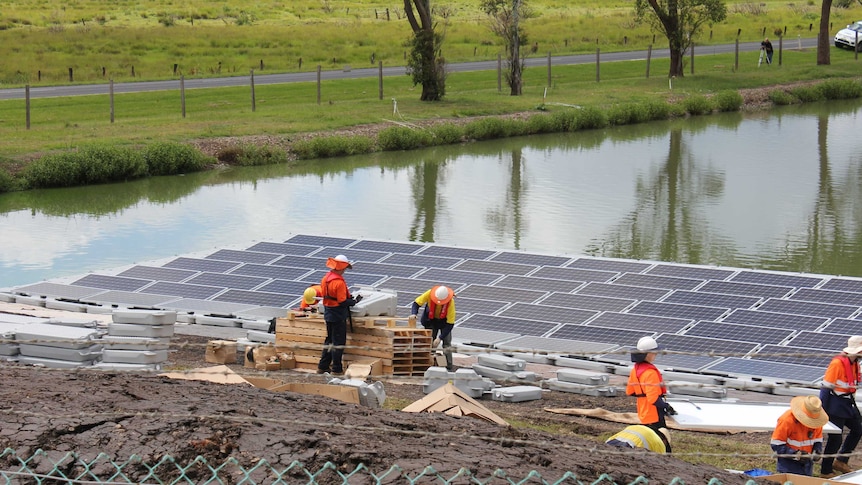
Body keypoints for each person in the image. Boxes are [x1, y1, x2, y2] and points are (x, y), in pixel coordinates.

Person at [819, 335, 862, 477]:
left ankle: (841, 460)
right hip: (835, 405)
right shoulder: (837, 363)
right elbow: (826, 388)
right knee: (835, 438)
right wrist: (822, 409)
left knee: (858, 429)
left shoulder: (855, 363)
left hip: (848, 403)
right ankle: (825, 470)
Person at [316, 255, 360, 375]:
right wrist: (353, 302)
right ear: (342, 267)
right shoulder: (339, 282)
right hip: (338, 314)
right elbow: (342, 301)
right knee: (338, 342)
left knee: (329, 340)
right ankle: (337, 369)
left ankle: (323, 366)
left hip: (328, 312)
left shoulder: (325, 279)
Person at [626, 336, 676, 432]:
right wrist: (666, 406)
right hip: (654, 414)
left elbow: (630, 391)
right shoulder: (650, 373)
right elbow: (653, 398)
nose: (656, 354)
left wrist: (643, 394)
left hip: (643, 411)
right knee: (660, 439)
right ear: (647, 354)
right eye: (654, 352)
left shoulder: (635, 370)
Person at [771, 395, 828, 476]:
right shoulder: (786, 420)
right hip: (788, 466)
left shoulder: (817, 422)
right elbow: (776, 445)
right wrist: (796, 454)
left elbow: (817, 440)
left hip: (807, 466)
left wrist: (817, 451)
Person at [409, 285, 456, 371]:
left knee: (447, 344)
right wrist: (414, 313)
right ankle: (427, 364)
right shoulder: (430, 293)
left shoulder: (450, 303)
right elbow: (416, 303)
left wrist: (440, 338)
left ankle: (449, 367)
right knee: (429, 341)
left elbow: (450, 324)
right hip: (430, 320)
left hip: (444, 323)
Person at [606, 424, 671, 454]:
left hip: (609, 444)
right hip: (629, 450)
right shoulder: (659, 444)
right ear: (664, 440)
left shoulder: (637, 427)